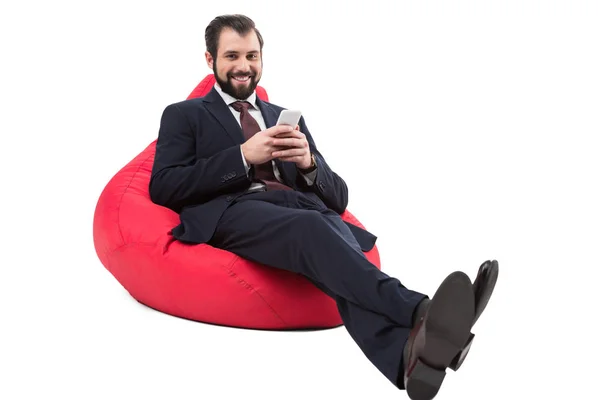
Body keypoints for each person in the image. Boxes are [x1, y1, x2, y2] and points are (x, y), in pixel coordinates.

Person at [149, 14, 499, 400]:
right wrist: (243, 157)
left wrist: (308, 165)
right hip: (234, 211)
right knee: (314, 230)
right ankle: (421, 311)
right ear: (209, 59)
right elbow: (164, 187)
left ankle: (407, 357)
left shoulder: (282, 117)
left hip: (298, 209)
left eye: (252, 55)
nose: (244, 66)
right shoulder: (184, 115)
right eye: (232, 55)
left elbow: (339, 198)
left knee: (330, 231)